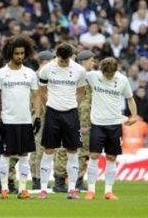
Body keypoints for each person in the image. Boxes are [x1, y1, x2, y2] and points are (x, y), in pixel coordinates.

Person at [0, 35, 41, 199]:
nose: (20, 56)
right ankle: (4, 189)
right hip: (7, 120)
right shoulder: (0, 74)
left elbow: (36, 96)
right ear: (9, 54)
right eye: (16, 53)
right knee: (5, 155)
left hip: (25, 120)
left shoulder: (30, 73)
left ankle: (22, 190)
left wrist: (38, 117)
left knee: (24, 156)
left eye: (22, 53)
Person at [85, 57, 138, 200]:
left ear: (116, 70)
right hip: (97, 123)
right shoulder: (93, 76)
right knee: (94, 156)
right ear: (101, 69)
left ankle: (108, 191)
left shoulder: (122, 80)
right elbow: (78, 72)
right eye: (106, 74)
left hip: (115, 124)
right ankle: (91, 190)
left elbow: (130, 98)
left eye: (111, 74)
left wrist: (134, 115)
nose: (108, 76)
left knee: (111, 157)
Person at [38, 43, 87, 200]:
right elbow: (42, 90)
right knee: (48, 151)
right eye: (62, 60)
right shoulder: (47, 69)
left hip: (71, 113)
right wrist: (50, 104)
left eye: (67, 60)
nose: (64, 63)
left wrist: (72, 105)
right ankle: (43, 190)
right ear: (57, 56)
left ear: (71, 56)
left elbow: (81, 92)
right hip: (52, 112)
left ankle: (72, 190)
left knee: (73, 151)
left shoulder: (79, 70)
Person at [53, 50, 95, 192]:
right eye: (91, 60)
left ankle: (78, 180)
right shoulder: (74, 74)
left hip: (86, 121)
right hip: (71, 118)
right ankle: (59, 181)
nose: (93, 63)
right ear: (83, 61)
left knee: (83, 152)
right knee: (65, 150)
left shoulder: (91, 78)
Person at [29, 50, 56, 190]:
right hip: (41, 114)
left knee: (38, 147)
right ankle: (37, 178)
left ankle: (36, 177)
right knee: (40, 147)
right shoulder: (40, 76)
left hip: (38, 114)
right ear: (45, 61)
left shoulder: (36, 75)